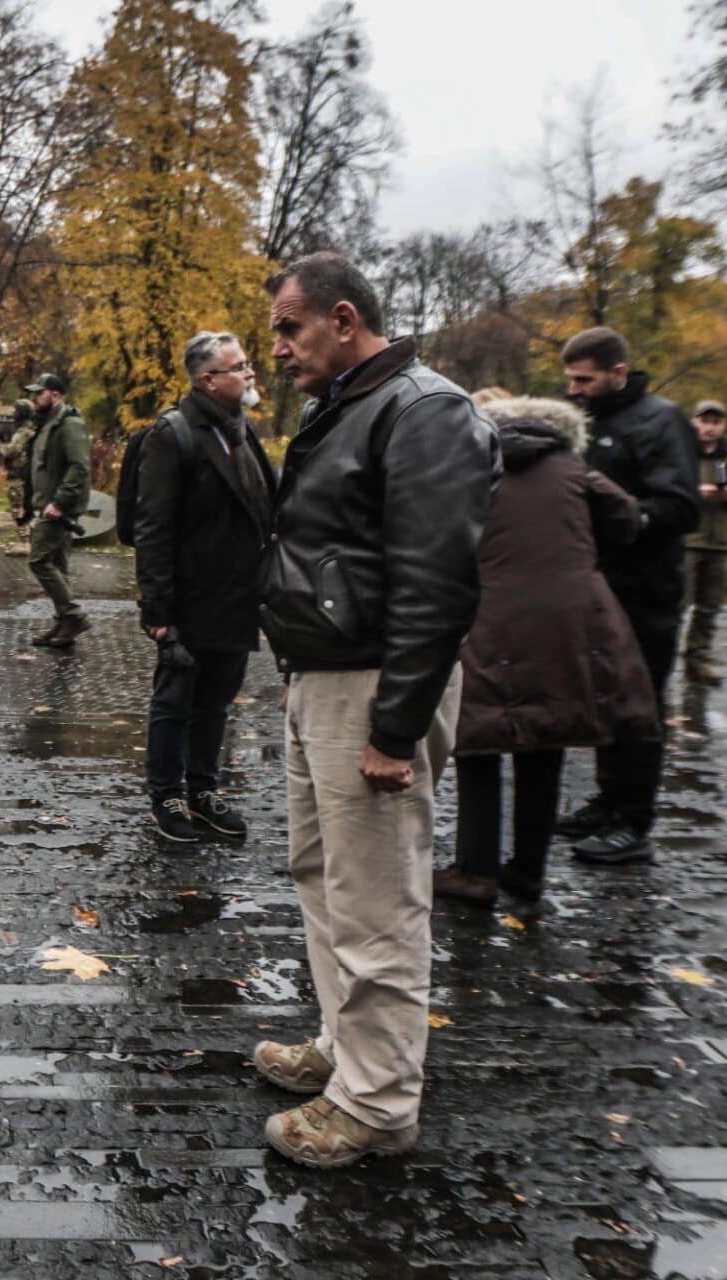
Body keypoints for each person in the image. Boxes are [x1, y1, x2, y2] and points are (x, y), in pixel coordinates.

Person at [251, 252, 498, 1169]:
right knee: (326, 879)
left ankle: (377, 1102)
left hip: (373, 689)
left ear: (344, 319)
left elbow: (437, 584)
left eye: (289, 327)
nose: (276, 346)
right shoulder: (351, 405)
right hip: (327, 680)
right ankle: (344, 1051)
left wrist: (395, 729)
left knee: (378, 900)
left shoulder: (425, 410)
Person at [433, 396, 659, 918]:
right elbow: (627, 516)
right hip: (568, 622)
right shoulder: (573, 470)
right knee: (547, 738)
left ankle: (475, 870)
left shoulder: (473, 467)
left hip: (489, 612)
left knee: (478, 743)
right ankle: (528, 872)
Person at [554, 327, 702, 865]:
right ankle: (609, 800)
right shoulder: (592, 422)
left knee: (640, 708)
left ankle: (633, 822)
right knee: (606, 701)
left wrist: (626, 514)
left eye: (584, 380)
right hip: (599, 586)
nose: (574, 390)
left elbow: (682, 505)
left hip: (648, 591)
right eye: (570, 379)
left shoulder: (663, 421)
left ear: (618, 372)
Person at [132, 331, 275, 844]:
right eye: (239, 367)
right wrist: (157, 608)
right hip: (189, 600)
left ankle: (202, 789)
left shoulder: (243, 427)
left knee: (217, 702)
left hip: (236, 599)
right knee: (175, 701)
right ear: (208, 380)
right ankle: (166, 794)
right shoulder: (173, 434)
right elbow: (153, 528)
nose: (250, 373)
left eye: (248, 363)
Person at [20, 372, 92, 648]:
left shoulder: (69, 424)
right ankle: (65, 623)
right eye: (33, 393)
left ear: (56, 395)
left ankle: (73, 616)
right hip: (49, 505)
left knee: (39, 561)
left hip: (59, 509)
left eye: (39, 393)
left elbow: (79, 467)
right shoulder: (48, 422)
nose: (34, 398)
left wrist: (59, 503)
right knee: (58, 566)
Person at [684, 398, 727, 686]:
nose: (710, 428)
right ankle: (658, 660)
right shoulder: (682, 454)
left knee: (709, 608)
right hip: (687, 541)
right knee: (676, 604)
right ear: (694, 423)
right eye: (704, 421)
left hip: (721, 543)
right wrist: (694, 491)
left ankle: (696, 661)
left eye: (716, 422)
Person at [0, 398, 38, 545]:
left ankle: (24, 542)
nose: (13, 413)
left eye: (15, 410)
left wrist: (1, 448)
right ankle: (25, 540)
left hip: (19, 475)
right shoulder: (31, 430)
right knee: (21, 507)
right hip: (23, 474)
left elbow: (12, 450)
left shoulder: (23, 432)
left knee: (18, 508)